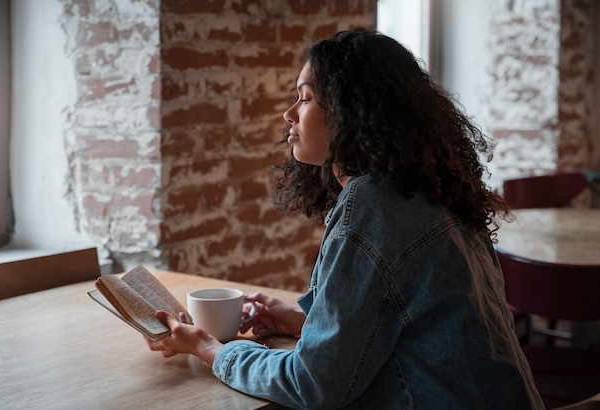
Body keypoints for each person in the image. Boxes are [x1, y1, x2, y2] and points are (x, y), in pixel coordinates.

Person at [145, 28, 544, 409]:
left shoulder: (373, 206)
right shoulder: (425, 188)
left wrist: (211, 350)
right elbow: (409, 327)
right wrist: (303, 320)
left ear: (350, 111)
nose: (289, 114)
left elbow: (312, 384)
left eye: (305, 99)